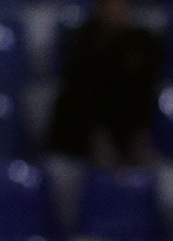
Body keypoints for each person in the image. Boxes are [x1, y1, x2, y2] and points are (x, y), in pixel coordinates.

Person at [47, 0, 163, 166]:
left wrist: (138, 133)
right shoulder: (83, 43)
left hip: (125, 130)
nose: (115, 10)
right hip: (79, 135)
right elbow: (81, 94)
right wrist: (97, 133)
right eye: (111, 5)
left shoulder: (139, 43)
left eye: (120, 5)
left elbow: (143, 91)